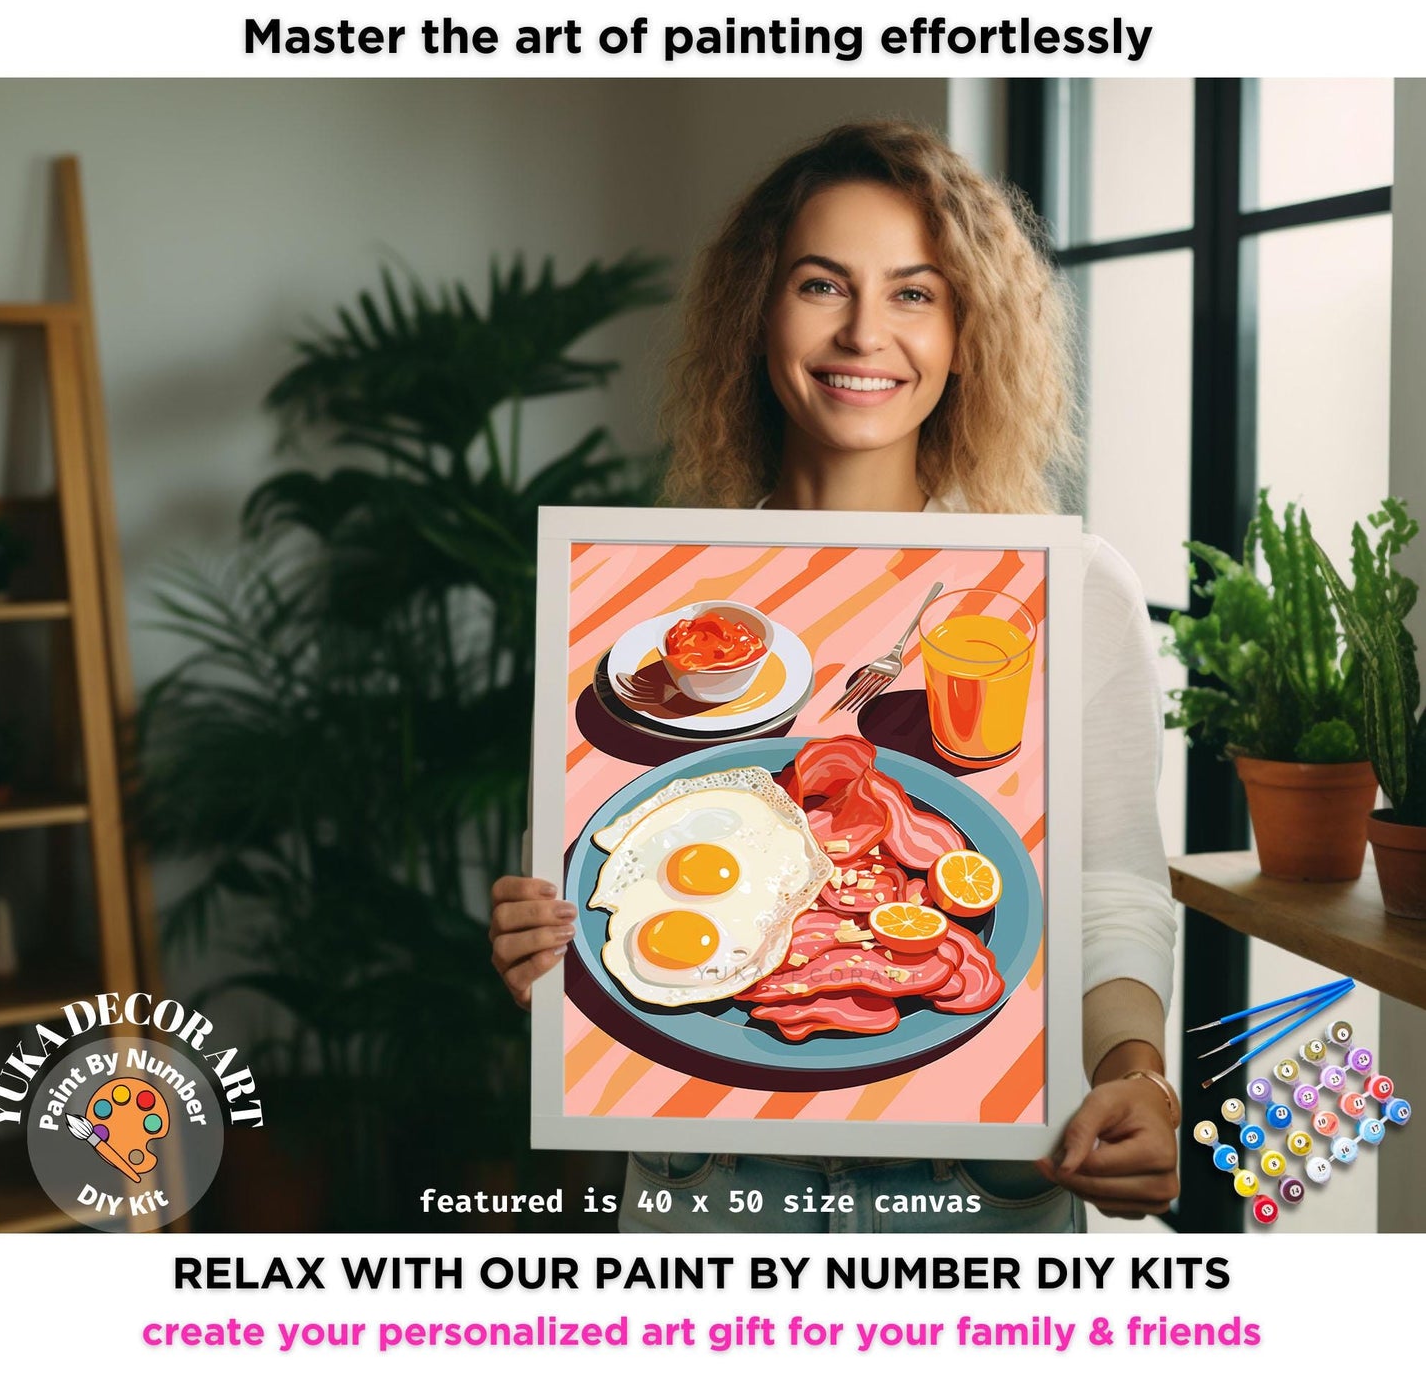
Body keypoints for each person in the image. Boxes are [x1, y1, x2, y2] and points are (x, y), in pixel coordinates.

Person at [490, 120, 1180, 1233]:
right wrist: (542, 951)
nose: (866, 331)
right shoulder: (636, 604)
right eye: (822, 284)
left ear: (966, 332)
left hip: (975, 1208)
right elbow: (599, 883)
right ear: (758, 310)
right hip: (706, 1212)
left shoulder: (1070, 584)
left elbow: (1107, 889)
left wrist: (1139, 1074)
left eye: (914, 292)